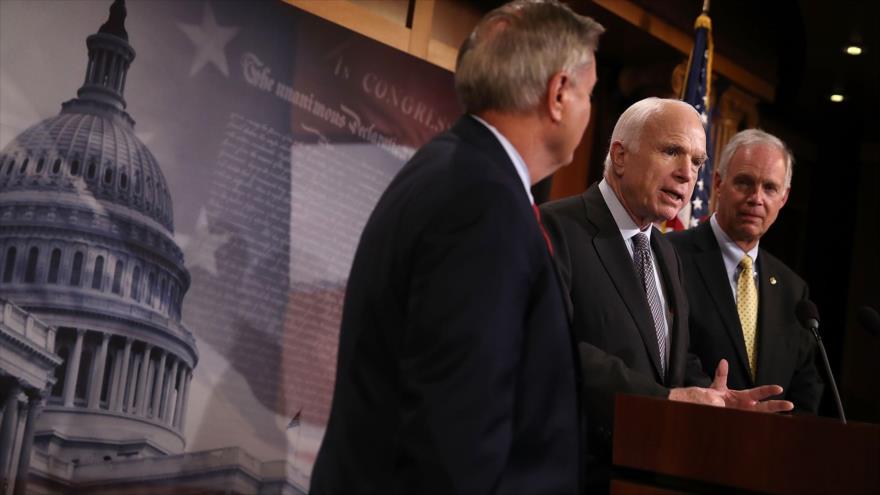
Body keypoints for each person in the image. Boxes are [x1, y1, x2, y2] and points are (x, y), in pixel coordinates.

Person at [310, 2, 604, 493]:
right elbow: (454, 435)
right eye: (589, 93)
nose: (589, 111)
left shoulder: (450, 169)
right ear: (558, 94)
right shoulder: (484, 203)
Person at [540, 98, 794, 488]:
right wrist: (665, 401)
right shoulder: (555, 228)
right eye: (672, 151)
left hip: (645, 476)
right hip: (569, 473)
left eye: (697, 162)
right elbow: (552, 350)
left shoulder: (665, 252)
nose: (686, 173)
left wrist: (714, 399)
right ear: (620, 156)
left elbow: (665, 360)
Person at [668, 129, 823, 413]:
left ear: (784, 198)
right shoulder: (670, 255)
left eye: (770, 188)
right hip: (689, 427)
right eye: (744, 182)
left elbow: (806, 386)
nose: (756, 198)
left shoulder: (793, 290)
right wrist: (724, 408)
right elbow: (666, 352)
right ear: (718, 183)